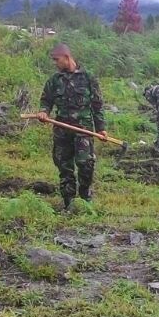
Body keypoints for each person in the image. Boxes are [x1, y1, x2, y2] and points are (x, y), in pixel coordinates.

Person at [37, 43, 105, 210]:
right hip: (62, 129)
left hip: (83, 129)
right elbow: (46, 100)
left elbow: (97, 105)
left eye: (56, 60)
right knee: (64, 165)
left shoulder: (88, 78)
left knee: (85, 163)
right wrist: (44, 112)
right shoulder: (54, 80)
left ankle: (85, 197)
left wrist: (101, 128)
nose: (55, 63)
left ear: (67, 58)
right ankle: (68, 201)